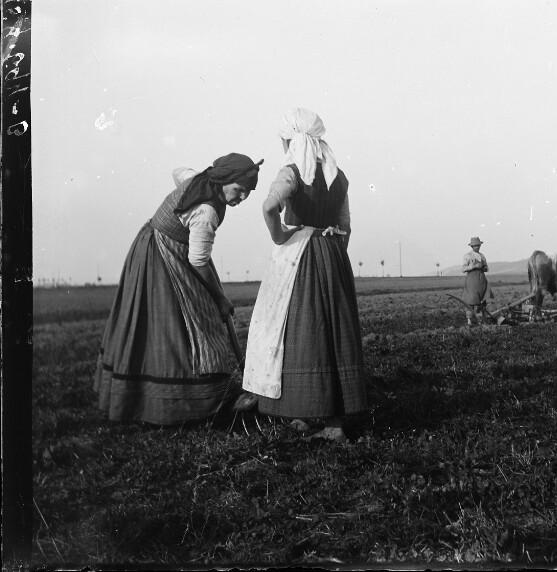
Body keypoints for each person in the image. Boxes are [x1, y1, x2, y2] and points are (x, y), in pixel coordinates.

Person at [94, 153, 262, 425]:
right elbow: (198, 261)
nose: (242, 198)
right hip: (165, 257)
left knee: (170, 324)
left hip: (152, 245)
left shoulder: (198, 179)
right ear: (222, 180)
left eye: (248, 194)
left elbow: (178, 171)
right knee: (196, 320)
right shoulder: (206, 212)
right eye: (239, 190)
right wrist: (219, 298)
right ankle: (191, 401)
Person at [238, 108, 367, 442]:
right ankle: (333, 419)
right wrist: (334, 255)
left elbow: (268, 207)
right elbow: (347, 226)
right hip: (332, 254)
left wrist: (281, 236)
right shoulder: (338, 176)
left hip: (299, 258)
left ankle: (308, 409)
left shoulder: (292, 173)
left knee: (297, 330)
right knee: (333, 334)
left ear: (290, 140)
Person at [462, 236, 491, 325]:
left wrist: (484, 267)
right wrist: (474, 266)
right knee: (471, 300)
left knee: (482, 300)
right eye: (475, 246)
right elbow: (463, 269)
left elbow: (487, 268)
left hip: (481, 279)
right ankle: (469, 320)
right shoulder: (468, 256)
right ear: (471, 246)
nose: (477, 247)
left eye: (478, 245)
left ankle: (480, 319)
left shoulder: (482, 256)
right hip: (471, 280)